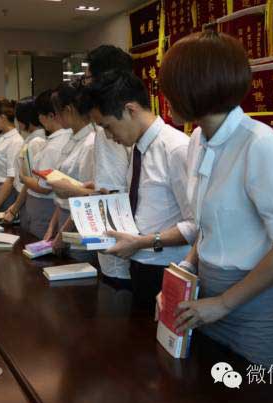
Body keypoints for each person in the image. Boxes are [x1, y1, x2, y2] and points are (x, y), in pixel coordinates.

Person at [160, 31, 273, 369]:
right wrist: (184, 272)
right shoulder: (197, 139)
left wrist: (224, 303)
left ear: (196, 89)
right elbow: (208, 228)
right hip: (209, 299)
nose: (165, 99)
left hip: (258, 309)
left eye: (170, 90)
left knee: (254, 391)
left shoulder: (259, 145)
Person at [87, 70, 193, 308]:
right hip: (139, 263)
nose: (109, 136)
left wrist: (142, 242)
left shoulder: (176, 149)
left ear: (130, 110)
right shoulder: (139, 148)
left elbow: (196, 226)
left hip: (167, 267)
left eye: (108, 126)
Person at [84, 45, 135, 289]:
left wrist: (75, 191)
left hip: (119, 247)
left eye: (88, 78)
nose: (86, 85)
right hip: (124, 246)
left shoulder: (110, 128)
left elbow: (112, 192)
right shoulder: (120, 119)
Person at [44, 83, 96, 254]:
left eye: (57, 113)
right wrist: (53, 225)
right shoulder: (71, 138)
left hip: (78, 220)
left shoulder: (90, 143)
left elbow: (86, 198)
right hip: (64, 215)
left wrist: (62, 233)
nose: (56, 118)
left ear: (68, 110)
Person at [20, 89, 72, 239]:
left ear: (51, 115)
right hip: (47, 205)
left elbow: (44, 187)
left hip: (45, 205)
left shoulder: (55, 145)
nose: (39, 119)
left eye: (40, 115)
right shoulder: (56, 140)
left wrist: (23, 178)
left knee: (40, 242)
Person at [3, 97, 47, 228]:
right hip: (25, 196)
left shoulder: (36, 142)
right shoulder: (31, 140)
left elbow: (30, 181)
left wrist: (14, 208)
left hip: (30, 197)